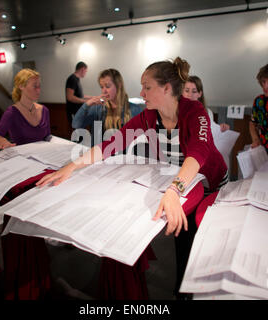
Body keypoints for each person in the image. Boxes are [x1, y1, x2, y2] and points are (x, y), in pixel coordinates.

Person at [36, 57, 228, 299]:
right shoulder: (149, 116)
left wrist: (173, 190)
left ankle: (200, 288)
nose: (141, 93)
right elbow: (112, 144)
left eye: (147, 87)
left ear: (166, 88)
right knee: (183, 237)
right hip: (182, 183)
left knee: (203, 239)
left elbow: (199, 153)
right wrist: (72, 166)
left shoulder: (194, 111)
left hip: (210, 182)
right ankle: (183, 291)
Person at [72, 68, 143, 146]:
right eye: (102, 87)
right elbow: (76, 124)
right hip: (100, 155)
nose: (104, 91)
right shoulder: (98, 109)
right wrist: (87, 104)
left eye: (107, 86)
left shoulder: (135, 110)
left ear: (119, 85)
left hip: (123, 156)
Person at [0, 68, 51, 149]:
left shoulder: (44, 110)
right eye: (35, 86)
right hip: (22, 157)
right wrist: (3, 141)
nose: (38, 90)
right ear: (21, 86)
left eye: (39, 86)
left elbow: (47, 137)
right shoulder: (12, 112)